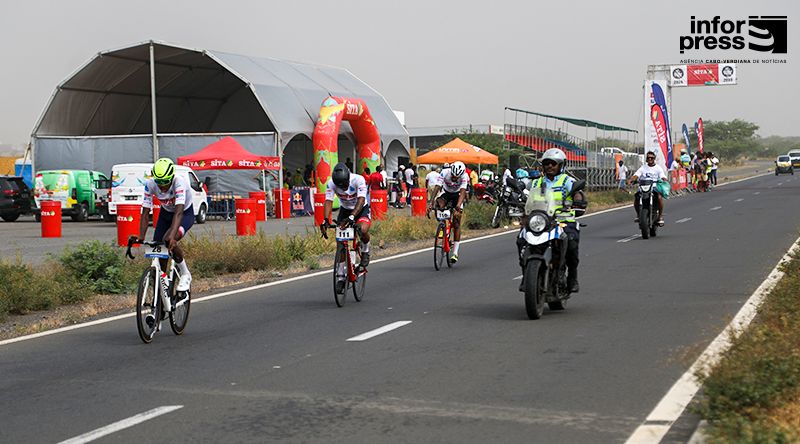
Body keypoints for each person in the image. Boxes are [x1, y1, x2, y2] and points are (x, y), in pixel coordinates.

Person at [517, 148, 581, 293]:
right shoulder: (534, 183)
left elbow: (577, 194)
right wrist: (517, 200)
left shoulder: (568, 181)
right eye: (547, 163)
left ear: (561, 165)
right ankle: (526, 273)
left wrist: (579, 200)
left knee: (571, 241)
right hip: (539, 221)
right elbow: (525, 197)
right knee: (521, 240)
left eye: (554, 163)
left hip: (563, 220)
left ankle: (572, 277)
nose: (550, 166)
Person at [131, 157, 194, 300]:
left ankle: (185, 273)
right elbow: (145, 212)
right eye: (159, 183)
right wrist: (141, 237)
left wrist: (172, 235)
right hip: (166, 214)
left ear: (171, 178)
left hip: (184, 214)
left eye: (165, 183)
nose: (162, 187)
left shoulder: (179, 182)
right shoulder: (150, 184)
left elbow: (179, 212)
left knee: (168, 240)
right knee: (159, 254)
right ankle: (161, 296)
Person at [320, 163, 372, 270]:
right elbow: (328, 201)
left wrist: (353, 216)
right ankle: (340, 274)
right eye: (340, 187)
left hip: (361, 209)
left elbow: (361, 199)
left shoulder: (358, 179)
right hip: (345, 210)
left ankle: (365, 250)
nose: (343, 188)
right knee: (340, 244)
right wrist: (325, 220)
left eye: (345, 185)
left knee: (362, 230)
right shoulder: (331, 183)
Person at [427, 161, 469, 263]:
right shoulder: (445, 172)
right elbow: (437, 187)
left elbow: (463, 191)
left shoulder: (464, 176)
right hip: (446, 193)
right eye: (453, 176)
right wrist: (430, 203)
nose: (454, 179)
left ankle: (455, 252)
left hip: (457, 195)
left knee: (456, 222)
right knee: (439, 204)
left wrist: (458, 206)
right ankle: (443, 225)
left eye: (456, 177)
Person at [628, 151, 667, 225]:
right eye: (648, 158)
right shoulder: (643, 168)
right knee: (637, 197)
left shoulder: (658, 168)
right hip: (643, 187)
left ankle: (660, 216)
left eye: (651, 158)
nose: (650, 159)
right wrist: (631, 180)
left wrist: (663, 180)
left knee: (659, 197)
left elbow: (662, 176)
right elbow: (636, 175)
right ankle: (638, 214)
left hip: (654, 187)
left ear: (654, 159)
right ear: (646, 159)